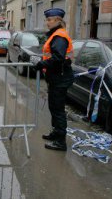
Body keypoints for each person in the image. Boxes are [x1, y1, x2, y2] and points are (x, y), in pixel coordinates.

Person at [33, 8, 74, 151]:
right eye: (47, 20)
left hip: (60, 78)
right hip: (57, 77)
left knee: (58, 110)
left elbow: (58, 58)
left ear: (58, 20)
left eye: (49, 20)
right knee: (54, 107)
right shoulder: (56, 35)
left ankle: (60, 142)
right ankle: (56, 133)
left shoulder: (59, 36)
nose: (47, 23)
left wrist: (41, 64)